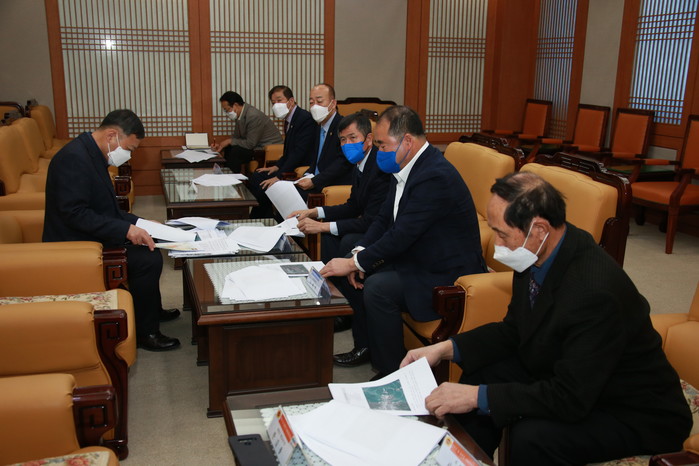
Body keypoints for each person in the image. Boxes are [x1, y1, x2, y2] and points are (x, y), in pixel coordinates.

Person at [401, 172, 692, 465]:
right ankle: (462, 459)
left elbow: (571, 397)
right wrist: (444, 348)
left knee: (532, 436)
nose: (497, 244)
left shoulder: (594, 293)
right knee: (483, 372)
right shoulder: (540, 251)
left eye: (502, 234)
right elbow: (514, 330)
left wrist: (477, 397)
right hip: (571, 367)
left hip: (631, 409)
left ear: (539, 228)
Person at [320, 105, 486, 378]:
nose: (379, 152)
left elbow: (402, 235)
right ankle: (370, 348)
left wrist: (353, 263)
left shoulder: (434, 175)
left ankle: (393, 374)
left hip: (445, 272)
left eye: (383, 145)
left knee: (378, 288)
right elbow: (383, 219)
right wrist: (359, 254)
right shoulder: (406, 166)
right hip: (418, 257)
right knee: (359, 267)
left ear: (407, 141)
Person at [43, 109, 181, 352]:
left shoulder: (92, 154)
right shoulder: (74, 159)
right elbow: (74, 213)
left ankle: (150, 311)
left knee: (149, 247)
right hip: (75, 243)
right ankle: (146, 332)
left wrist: (142, 223)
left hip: (90, 232)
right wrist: (126, 230)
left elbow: (107, 210)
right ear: (111, 136)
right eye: (129, 148)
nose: (128, 155)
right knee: (146, 259)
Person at [290, 113, 390, 358]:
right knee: (333, 238)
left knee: (345, 241)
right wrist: (315, 212)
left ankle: (362, 340)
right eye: (343, 140)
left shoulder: (380, 166)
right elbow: (353, 206)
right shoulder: (360, 164)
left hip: (381, 230)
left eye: (353, 138)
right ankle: (341, 307)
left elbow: (371, 220)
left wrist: (322, 226)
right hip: (372, 225)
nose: (347, 145)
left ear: (368, 139)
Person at [248, 85, 315, 218]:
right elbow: (288, 152)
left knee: (263, 183)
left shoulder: (304, 118)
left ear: (291, 101)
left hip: (300, 168)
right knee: (257, 176)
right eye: (273, 102)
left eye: (279, 100)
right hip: (290, 165)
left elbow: (299, 153)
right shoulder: (289, 119)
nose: (276, 105)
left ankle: (261, 217)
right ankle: (263, 216)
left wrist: (279, 176)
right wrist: (276, 167)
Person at [295, 83, 353, 199]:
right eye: (311, 102)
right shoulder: (318, 126)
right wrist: (307, 175)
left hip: (332, 183)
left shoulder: (344, 127)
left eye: (320, 101)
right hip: (317, 180)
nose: (315, 106)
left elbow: (342, 163)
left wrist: (315, 181)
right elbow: (317, 159)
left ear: (333, 103)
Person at [211, 91, 282, 173]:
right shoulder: (240, 114)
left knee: (236, 152)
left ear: (235, 105)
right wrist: (221, 145)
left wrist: (230, 141)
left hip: (268, 147)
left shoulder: (253, 115)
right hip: (256, 145)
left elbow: (250, 143)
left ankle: (234, 178)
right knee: (229, 148)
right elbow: (237, 138)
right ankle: (228, 175)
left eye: (227, 110)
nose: (227, 113)